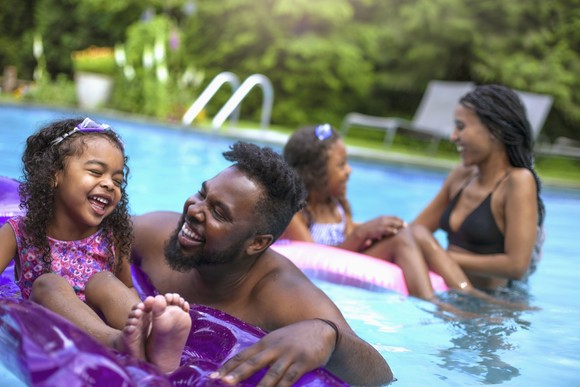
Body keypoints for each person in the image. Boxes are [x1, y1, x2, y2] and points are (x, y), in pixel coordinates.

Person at [131, 141, 393, 386]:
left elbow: (380, 375)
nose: (193, 210)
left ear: (257, 243)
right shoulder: (154, 235)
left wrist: (328, 335)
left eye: (219, 213)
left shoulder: (281, 296)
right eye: (202, 193)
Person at [0, 117, 191, 373]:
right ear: (54, 174)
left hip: (100, 318)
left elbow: (126, 288)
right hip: (51, 320)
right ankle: (118, 341)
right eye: (95, 172)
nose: (109, 184)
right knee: (49, 283)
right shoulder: (19, 232)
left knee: (104, 281)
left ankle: (155, 338)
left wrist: (140, 311)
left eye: (118, 180)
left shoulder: (111, 238)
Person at [407, 84, 545, 299]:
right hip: (449, 291)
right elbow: (416, 230)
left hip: (492, 303)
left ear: (494, 130)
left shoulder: (518, 182)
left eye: (461, 127)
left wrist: (440, 256)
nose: (453, 136)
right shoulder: (461, 175)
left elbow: (517, 265)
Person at [282, 123, 436, 299]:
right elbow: (312, 259)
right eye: (341, 165)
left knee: (417, 232)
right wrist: (361, 234)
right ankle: (432, 304)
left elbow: (347, 239)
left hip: (344, 264)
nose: (349, 170)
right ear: (314, 174)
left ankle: (464, 292)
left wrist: (375, 231)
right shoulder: (296, 213)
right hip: (320, 282)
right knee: (400, 240)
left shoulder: (337, 206)